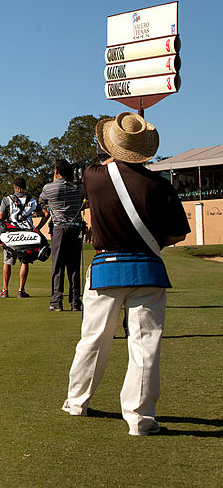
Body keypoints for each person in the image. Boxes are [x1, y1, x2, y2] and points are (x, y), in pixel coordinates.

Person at [62, 112, 189, 436]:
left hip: (106, 269)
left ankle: (77, 402)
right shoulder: (160, 185)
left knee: (93, 340)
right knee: (145, 345)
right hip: (147, 269)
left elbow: (103, 167)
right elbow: (177, 236)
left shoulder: (93, 177)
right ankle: (141, 419)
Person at [38, 159, 86, 312]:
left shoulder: (49, 188)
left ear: (56, 171)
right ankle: (75, 302)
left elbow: (41, 200)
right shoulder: (79, 188)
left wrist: (54, 179)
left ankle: (56, 301)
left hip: (59, 229)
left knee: (58, 266)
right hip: (75, 228)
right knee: (74, 267)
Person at [0, 176, 41, 297]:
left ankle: (5, 290)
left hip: (11, 235)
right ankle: (21, 290)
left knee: (8, 262)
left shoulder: (7, 199)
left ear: (14, 187)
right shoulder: (32, 200)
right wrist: (38, 227)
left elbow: (0, 217)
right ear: (25, 187)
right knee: (24, 262)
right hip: (27, 235)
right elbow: (45, 214)